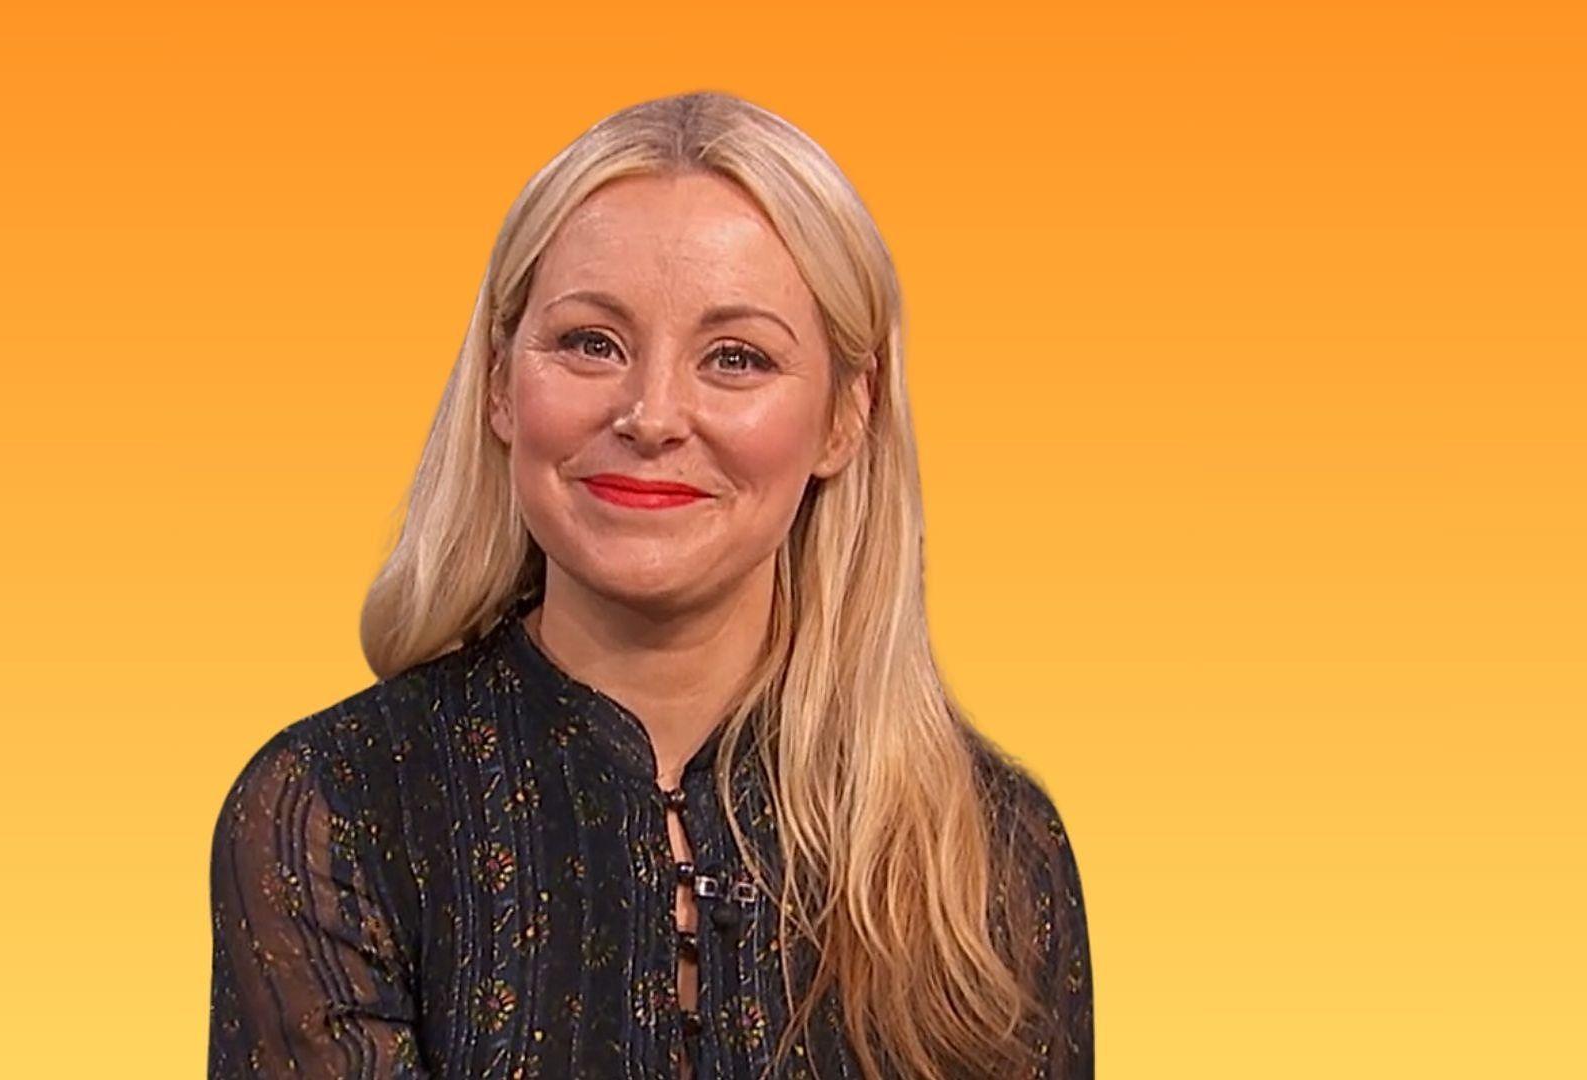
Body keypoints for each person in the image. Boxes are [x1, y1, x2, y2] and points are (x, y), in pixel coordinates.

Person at [207, 90, 1093, 1080]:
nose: (652, 413)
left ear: (845, 417)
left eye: (736, 358)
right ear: (501, 383)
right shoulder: (335, 805)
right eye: (591, 342)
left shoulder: (989, 850)